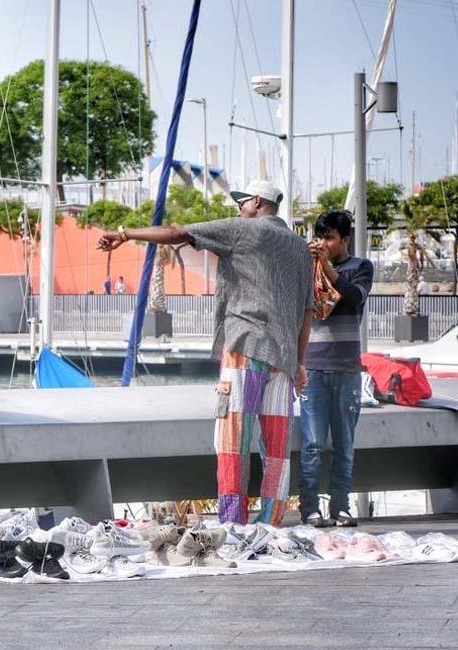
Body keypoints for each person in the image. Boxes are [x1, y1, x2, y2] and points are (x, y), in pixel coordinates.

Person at [97, 179, 312, 526]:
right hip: (284, 360)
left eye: (241, 203)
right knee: (277, 452)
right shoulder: (300, 247)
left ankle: (232, 525)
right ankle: (270, 525)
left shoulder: (245, 230)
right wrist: (300, 363)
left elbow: (177, 232)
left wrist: (125, 232)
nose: (238, 210)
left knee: (232, 443)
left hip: (245, 346)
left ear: (256, 202)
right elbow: (306, 312)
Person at [299, 210, 374, 528]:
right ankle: (310, 508)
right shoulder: (308, 267)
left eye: (331, 238)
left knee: (344, 443)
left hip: (346, 368)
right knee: (313, 443)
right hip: (313, 368)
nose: (325, 244)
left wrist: (327, 267)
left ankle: (341, 506)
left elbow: (353, 298)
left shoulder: (361, 267)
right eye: (322, 238)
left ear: (345, 239)